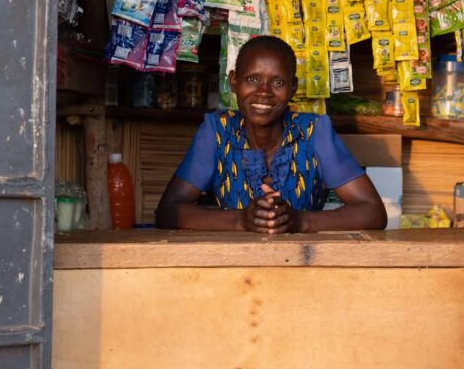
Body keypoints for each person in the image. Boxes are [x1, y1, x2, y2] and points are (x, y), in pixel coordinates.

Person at [155, 36, 387, 233]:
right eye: (252, 79)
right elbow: (167, 212)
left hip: (304, 263)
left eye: (277, 82)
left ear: (292, 88)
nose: (263, 92)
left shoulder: (314, 131)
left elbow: (373, 213)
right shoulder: (217, 131)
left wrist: (301, 221)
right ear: (234, 82)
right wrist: (240, 220)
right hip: (231, 264)